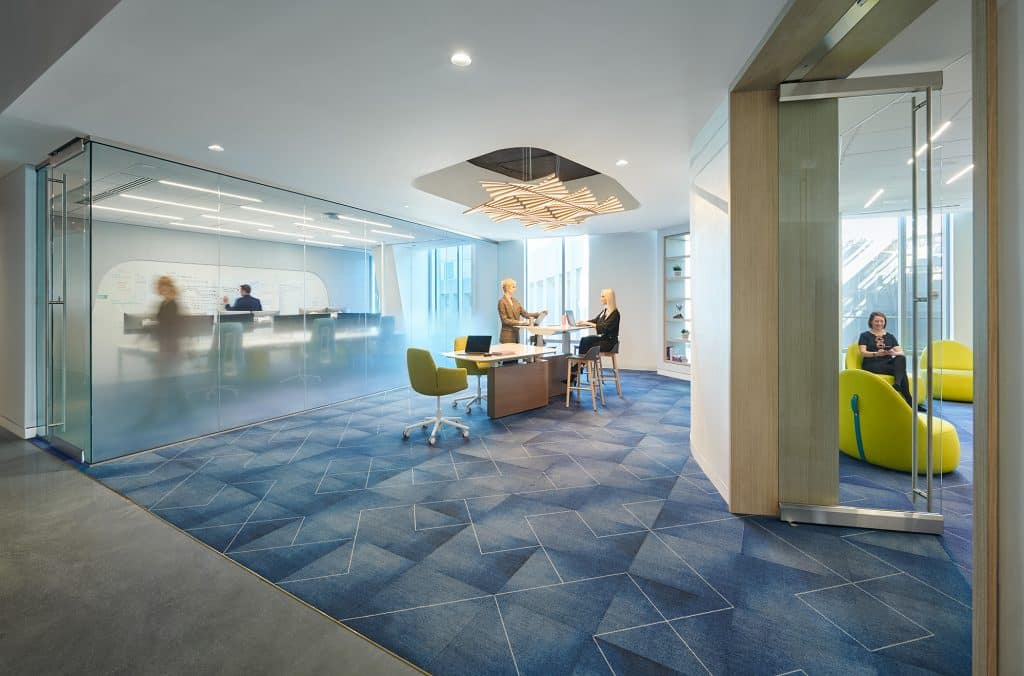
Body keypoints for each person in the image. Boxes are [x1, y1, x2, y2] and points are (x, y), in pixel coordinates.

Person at [858, 311, 914, 408]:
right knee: (902, 372)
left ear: (884, 322)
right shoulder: (865, 335)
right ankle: (909, 400)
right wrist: (876, 353)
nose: (879, 323)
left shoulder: (890, 336)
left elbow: (901, 352)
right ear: (871, 322)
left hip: (886, 363)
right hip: (872, 364)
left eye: (881, 321)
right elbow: (863, 352)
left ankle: (897, 384)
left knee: (901, 358)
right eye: (876, 321)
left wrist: (892, 353)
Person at [497, 279, 546, 343]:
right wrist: (520, 322)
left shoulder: (516, 301)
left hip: (516, 335)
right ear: (507, 288)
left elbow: (526, 314)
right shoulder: (501, 302)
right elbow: (504, 320)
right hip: (507, 336)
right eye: (513, 287)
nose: (515, 289)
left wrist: (539, 314)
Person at [577, 288, 620, 355]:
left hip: (610, 342)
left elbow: (603, 328)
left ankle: (583, 361)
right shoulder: (605, 311)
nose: (601, 299)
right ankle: (582, 361)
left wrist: (586, 323)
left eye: (603, 296)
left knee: (589, 344)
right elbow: (595, 321)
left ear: (608, 298)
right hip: (603, 339)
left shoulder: (615, 314)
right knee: (584, 340)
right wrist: (583, 323)